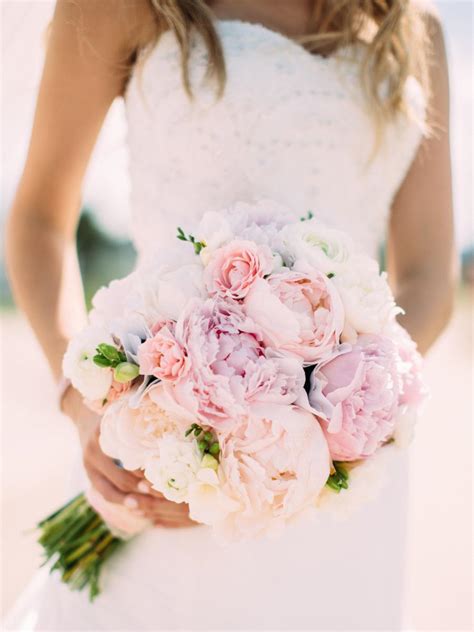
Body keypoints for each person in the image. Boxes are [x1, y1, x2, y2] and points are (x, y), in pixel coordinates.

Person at [5, 0, 455, 629]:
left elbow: (430, 272)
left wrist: (335, 422)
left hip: (340, 480)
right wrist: (84, 403)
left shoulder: (413, 28)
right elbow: (39, 220)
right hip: (165, 456)